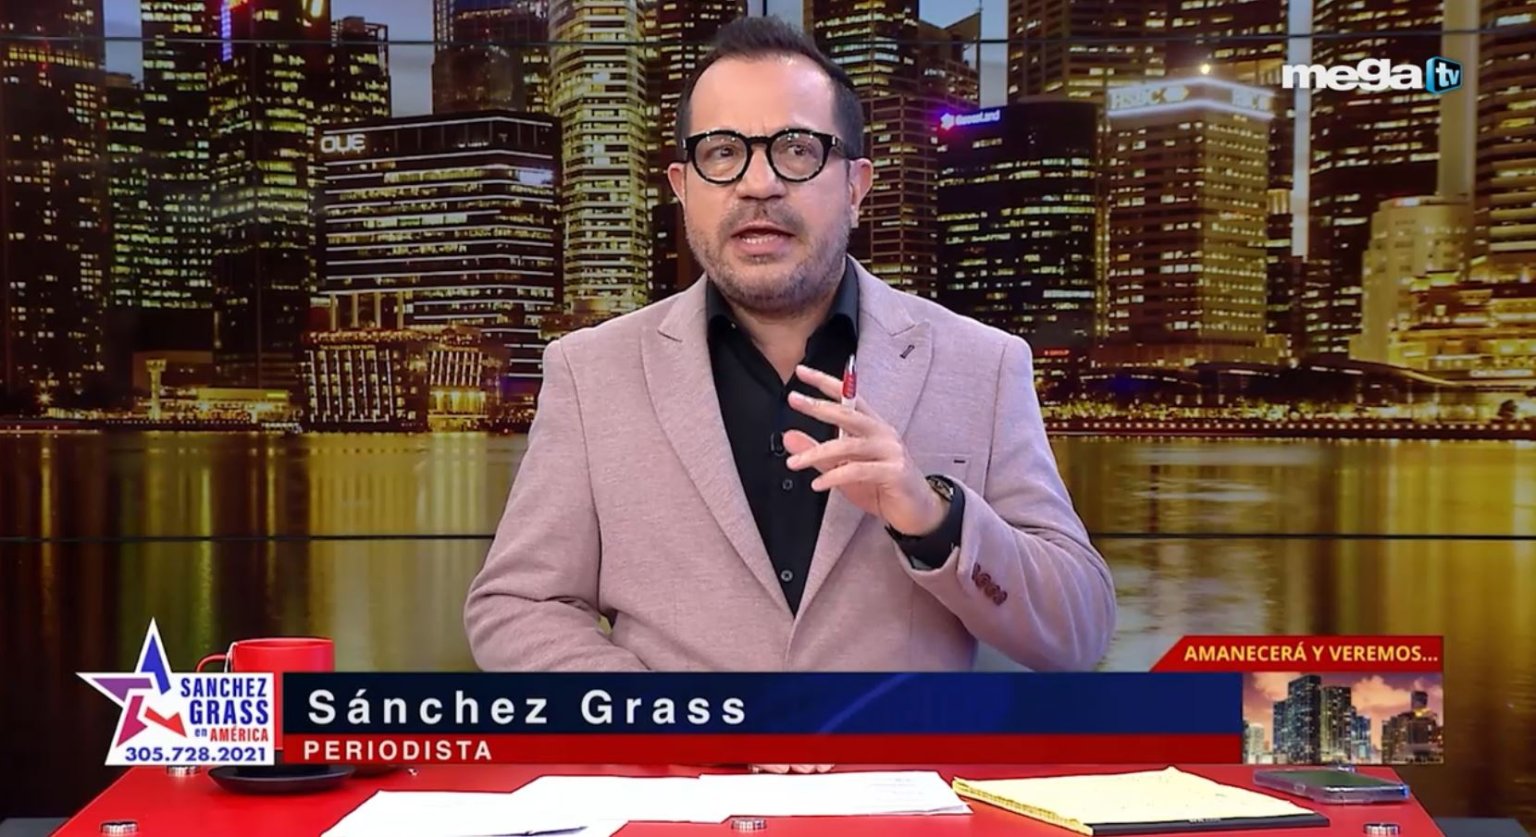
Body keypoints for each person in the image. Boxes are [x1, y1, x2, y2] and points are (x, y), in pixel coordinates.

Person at [465, 16, 1114, 686]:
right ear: (682, 186)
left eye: (797, 150)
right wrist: (661, 716)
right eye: (722, 152)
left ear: (857, 185)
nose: (758, 184)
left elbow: (1078, 631)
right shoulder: (590, 371)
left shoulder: (983, 364)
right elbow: (518, 606)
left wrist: (934, 517)